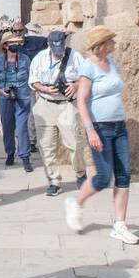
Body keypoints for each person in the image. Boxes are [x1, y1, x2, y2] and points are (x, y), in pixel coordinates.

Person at [64, 26, 139, 244]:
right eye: (111, 41)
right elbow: (82, 100)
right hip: (99, 128)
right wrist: (91, 130)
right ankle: (76, 202)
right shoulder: (88, 67)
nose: (115, 44)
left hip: (119, 126)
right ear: (103, 44)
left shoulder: (112, 63)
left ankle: (119, 225)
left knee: (124, 175)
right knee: (104, 176)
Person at [30, 29, 86, 197]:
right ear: (48, 45)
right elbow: (33, 81)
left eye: (60, 50)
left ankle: (81, 173)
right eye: (55, 51)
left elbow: (86, 76)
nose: (58, 54)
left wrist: (75, 85)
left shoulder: (75, 56)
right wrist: (45, 88)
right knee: (46, 145)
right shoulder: (39, 58)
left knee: (75, 143)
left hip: (67, 105)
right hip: (46, 103)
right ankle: (54, 181)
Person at [0, 33, 33, 171]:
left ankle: (25, 156)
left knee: (22, 127)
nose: (15, 45)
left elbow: (32, 77)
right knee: (8, 127)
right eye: (12, 42)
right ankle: (10, 153)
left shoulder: (25, 59)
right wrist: (0, 90)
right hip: (5, 98)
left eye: (17, 42)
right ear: (5, 45)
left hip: (22, 97)